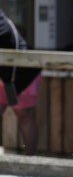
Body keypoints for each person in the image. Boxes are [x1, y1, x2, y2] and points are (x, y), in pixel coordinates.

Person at [0, 8, 42, 155]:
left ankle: (30, 160)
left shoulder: (3, 25)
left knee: (24, 114)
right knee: (24, 115)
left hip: (21, 73)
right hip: (7, 74)